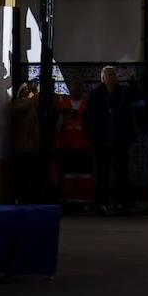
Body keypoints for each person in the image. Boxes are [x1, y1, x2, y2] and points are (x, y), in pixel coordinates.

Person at [85, 65, 135, 214]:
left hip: (120, 139)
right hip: (102, 140)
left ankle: (121, 203)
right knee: (101, 174)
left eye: (114, 75)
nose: (112, 78)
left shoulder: (123, 92)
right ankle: (101, 203)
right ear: (103, 78)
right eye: (109, 75)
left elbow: (130, 114)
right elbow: (89, 117)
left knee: (121, 173)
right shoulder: (95, 94)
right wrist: (91, 135)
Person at [55, 78, 95, 209]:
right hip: (67, 146)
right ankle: (68, 201)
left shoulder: (88, 104)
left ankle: (84, 202)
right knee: (68, 174)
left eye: (79, 87)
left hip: (84, 146)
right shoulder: (63, 105)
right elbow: (58, 126)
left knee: (84, 174)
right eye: (74, 87)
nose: (76, 89)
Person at [10, 80, 41, 204]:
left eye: (29, 90)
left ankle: (32, 197)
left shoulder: (33, 104)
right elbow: (23, 109)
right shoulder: (17, 104)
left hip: (33, 146)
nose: (28, 92)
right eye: (25, 89)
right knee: (23, 174)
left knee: (32, 175)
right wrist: (31, 99)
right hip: (22, 147)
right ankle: (21, 197)